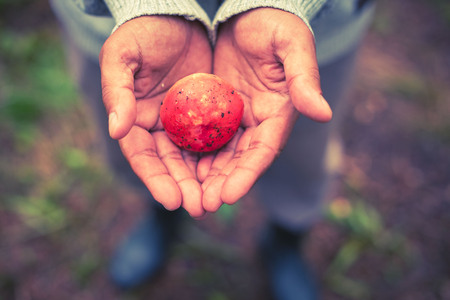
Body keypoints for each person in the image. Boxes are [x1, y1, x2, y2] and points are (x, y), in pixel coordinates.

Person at [50, 0, 375, 299]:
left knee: (303, 157)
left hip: (310, 34)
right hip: (119, 31)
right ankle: (162, 217)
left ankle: (286, 239)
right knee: (140, 142)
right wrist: (146, 5)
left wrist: (280, 3)